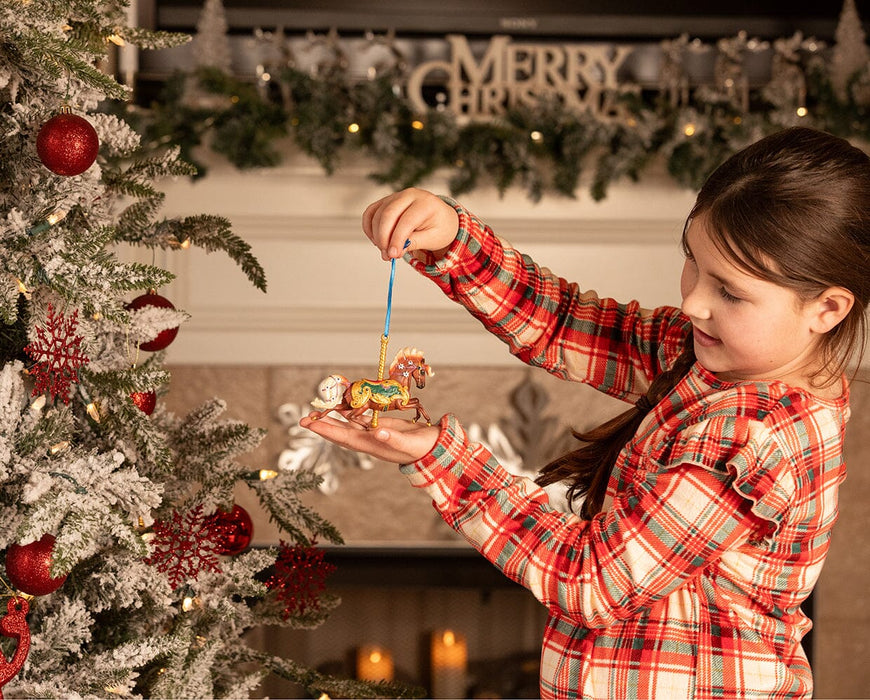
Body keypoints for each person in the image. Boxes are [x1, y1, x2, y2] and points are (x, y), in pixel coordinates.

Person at [300, 126, 870, 698]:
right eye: (692, 262)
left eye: (731, 292)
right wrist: (452, 240)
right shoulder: (714, 361)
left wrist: (442, 458)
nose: (694, 301)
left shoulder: (753, 437)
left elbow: (589, 581)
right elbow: (565, 324)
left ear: (826, 307)